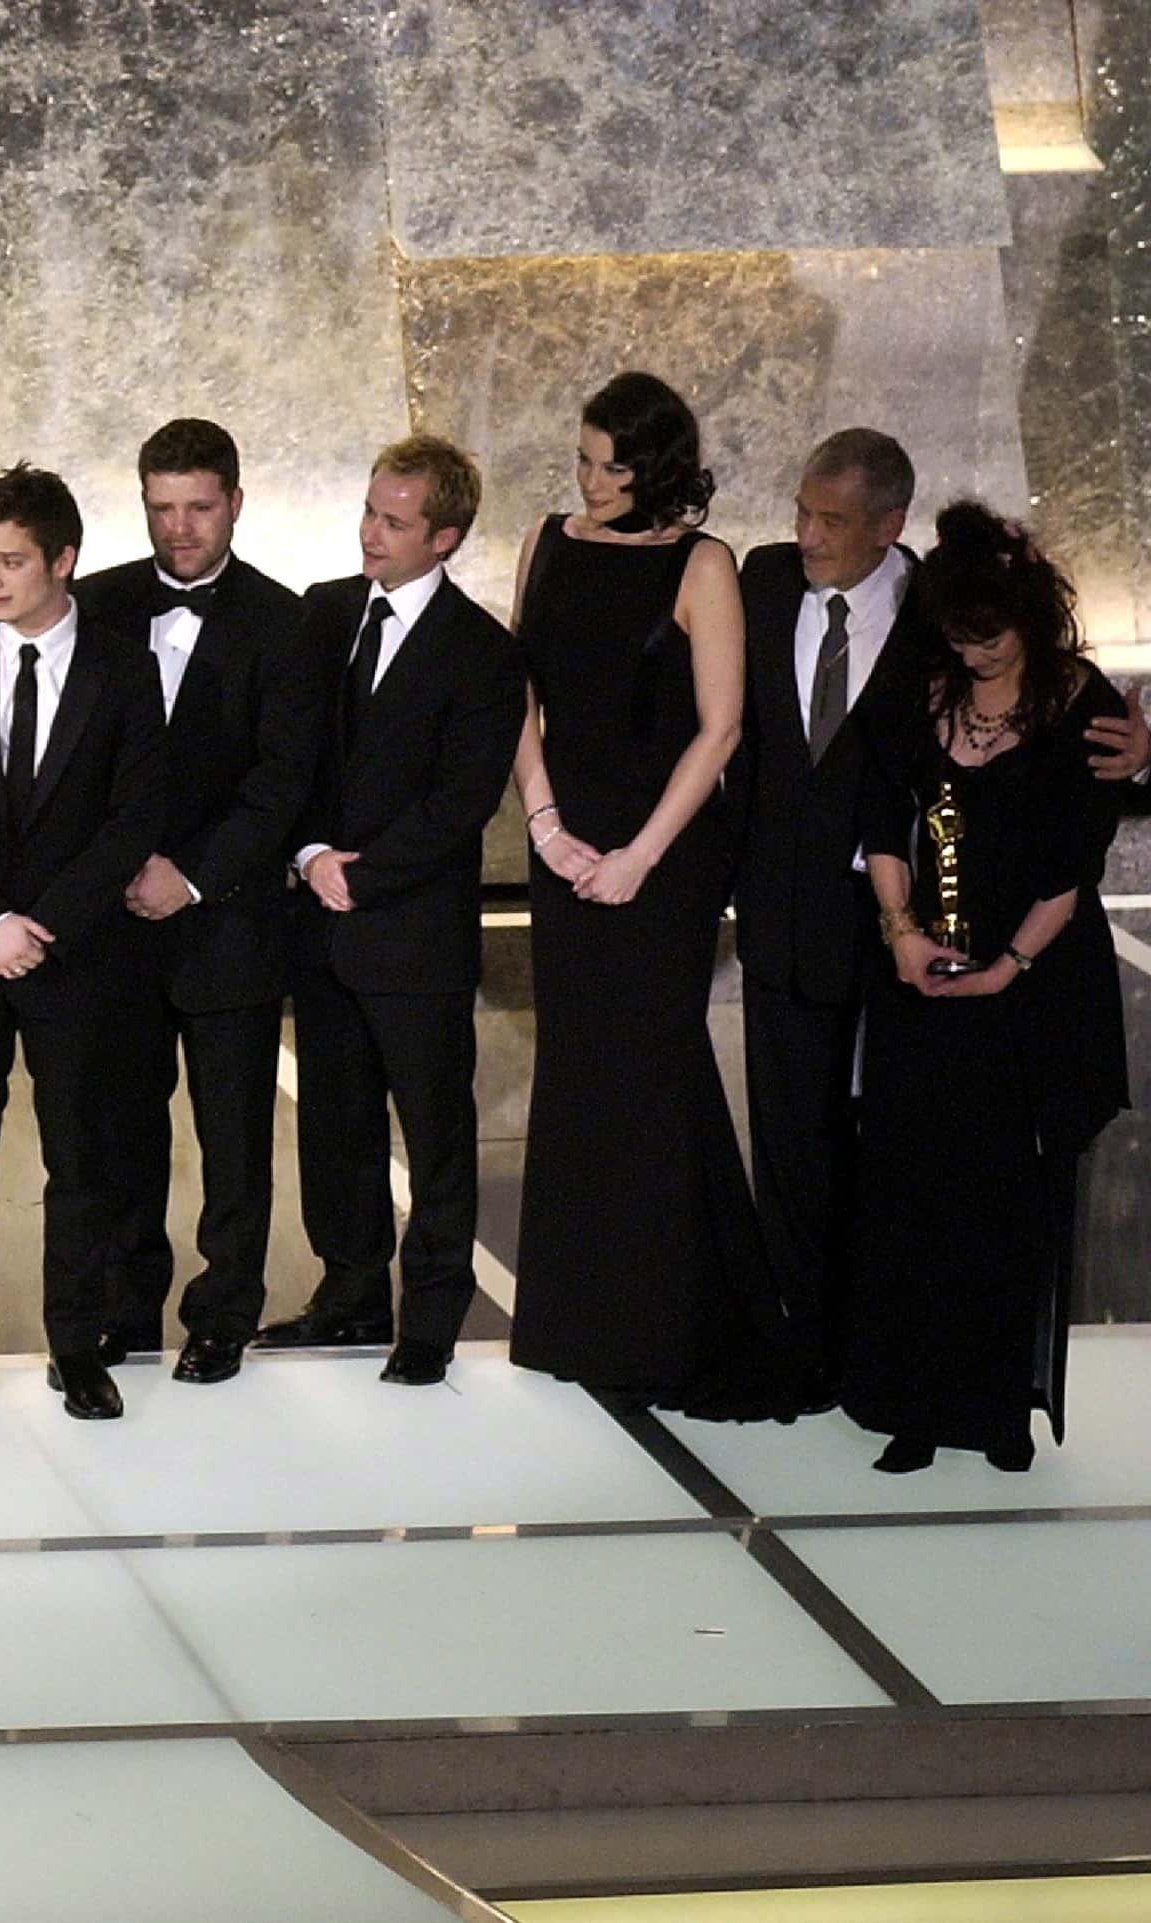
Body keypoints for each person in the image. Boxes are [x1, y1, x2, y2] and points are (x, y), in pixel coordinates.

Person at [735, 432, 1147, 1389]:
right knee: (795, 1143)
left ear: (888, 527)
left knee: (914, 1158)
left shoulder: (942, 609)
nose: (807, 534)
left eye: (831, 520)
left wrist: (1144, 752)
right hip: (801, 917)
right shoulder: (755, 583)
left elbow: (1082, 751)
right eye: (801, 510)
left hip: (941, 939)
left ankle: (923, 1358)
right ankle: (806, 1352)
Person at [503, 372, 789, 1414]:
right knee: (579, 1071)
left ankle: (669, 1321)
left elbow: (720, 730)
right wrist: (545, 825)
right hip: (564, 837)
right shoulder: (547, 541)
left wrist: (637, 858)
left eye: (610, 467)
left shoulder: (702, 564)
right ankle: (581, 1323)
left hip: (663, 851)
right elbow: (517, 695)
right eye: (582, 460)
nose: (589, 481)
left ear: (657, 468)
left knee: (652, 1068)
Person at [847, 505, 1129, 1473]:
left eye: (992, 636)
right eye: (961, 635)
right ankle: (917, 1404)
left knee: (1010, 1200)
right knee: (917, 1192)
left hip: (1033, 990)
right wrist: (901, 934)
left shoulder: (1079, 704)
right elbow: (884, 825)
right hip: (922, 981)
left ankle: (999, 1405)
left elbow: (1070, 872)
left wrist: (1009, 967)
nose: (976, 654)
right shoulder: (915, 697)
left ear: (1029, 619)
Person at [0, 465, 165, 1421]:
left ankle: (75, 1344)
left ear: (64, 559)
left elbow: (133, 817)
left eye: (11, 560)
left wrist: (43, 924)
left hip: (76, 955)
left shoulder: (123, 666)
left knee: (79, 1156)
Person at [264, 435, 524, 1387]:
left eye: (394, 520)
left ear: (444, 536)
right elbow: (285, 754)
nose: (369, 531)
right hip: (321, 923)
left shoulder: (484, 653)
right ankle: (348, 1296)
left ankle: (432, 1319)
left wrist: (356, 874)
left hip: (412, 935)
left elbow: (462, 804)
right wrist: (307, 854)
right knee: (336, 1125)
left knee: (436, 1133)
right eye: (370, 509)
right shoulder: (321, 616)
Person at [84, 419, 320, 1385]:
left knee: (233, 1135)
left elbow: (282, 782)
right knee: (124, 1130)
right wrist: (117, 874)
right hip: (118, 924)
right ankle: (125, 1307)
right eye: (162, 507)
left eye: (199, 506)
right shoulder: (90, 605)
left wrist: (186, 874)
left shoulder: (287, 620)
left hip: (229, 919)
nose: (180, 528)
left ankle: (224, 1312)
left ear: (235, 501)